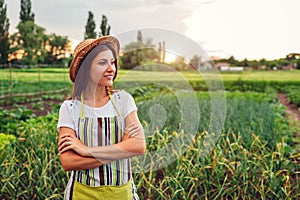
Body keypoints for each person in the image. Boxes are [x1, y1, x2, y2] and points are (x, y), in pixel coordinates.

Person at [57, 35, 146, 200]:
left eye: (112, 62)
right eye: (102, 63)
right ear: (85, 68)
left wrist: (86, 151)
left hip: (122, 193)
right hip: (82, 194)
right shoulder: (70, 108)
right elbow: (69, 161)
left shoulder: (123, 101)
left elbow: (139, 145)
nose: (111, 68)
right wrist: (122, 149)